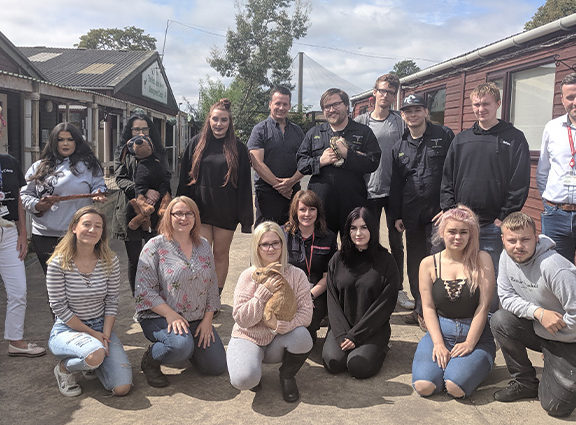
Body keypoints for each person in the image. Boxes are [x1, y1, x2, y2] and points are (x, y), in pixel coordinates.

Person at [440, 82, 531, 309]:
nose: (481, 109)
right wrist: (450, 210)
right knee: (462, 271)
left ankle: (490, 323)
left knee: (491, 276)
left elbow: (519, 182)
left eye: (486, 104)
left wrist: (504, 216)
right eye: (476, 104)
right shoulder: (461, 139)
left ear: (498, 104)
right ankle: (463, 314)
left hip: (493, 224)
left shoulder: (515, 138)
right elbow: (447, 178)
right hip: (463, 223)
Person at [135, 196, 226, 388]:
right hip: (159, 316)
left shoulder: (203, 245)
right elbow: (144, 290)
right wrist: (171, 315)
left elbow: (211, 285)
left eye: (188, 213)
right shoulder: (154, 246)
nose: (183, 218)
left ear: (195, 217)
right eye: (178, 214)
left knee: (216, 367)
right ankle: (151, 360)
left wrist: (208, 320)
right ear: (169, 216)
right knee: (180, 346)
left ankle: (188, 348)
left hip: (195, 319)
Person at [491, 212, 576, 418]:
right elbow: (506, 296)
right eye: (511, 240)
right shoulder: (506, 257)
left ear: (536, 238)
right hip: (541, 327)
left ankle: (561, 365)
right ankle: (525, 382)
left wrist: (555, 333)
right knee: (500, 320)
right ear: (503, 240)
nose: (518, 246)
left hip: (568, 337)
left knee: (556, 407)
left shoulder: (554, 267)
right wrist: (538, 313)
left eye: (525, 239)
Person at [412, 205, 495, 399]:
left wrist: (470, 342)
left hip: (474, 334)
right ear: (442, 232)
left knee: (455, 387)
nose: (457, 237)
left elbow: (484, 306)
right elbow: (428, 307)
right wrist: (439, 344)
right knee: (424, 386)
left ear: (470, 234)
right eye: (452, 231)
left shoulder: (482, 259)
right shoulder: (428, 264)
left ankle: (479, 363)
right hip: (441, 332)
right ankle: (448, 366)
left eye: (463, 232)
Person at [47, 207, 131, 397]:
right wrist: (93, 334)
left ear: (102, 232)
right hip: (68, 329)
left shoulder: (110, 260)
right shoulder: (58, 263)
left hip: (101, 327)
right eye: (87, 224)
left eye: (98, 226)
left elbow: (111, 301)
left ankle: (92, 360)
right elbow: (58, 306)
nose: (92, 230)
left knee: (122, 388)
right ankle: (64, 369)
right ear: (74, 227)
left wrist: (106, 336)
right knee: (95, 354)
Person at [227, 221, 313, 403]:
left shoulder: (296, 275)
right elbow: (241, 318)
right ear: (257, 247)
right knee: (243, 379)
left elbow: (306, 313)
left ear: (282, 244)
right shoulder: (248, 276)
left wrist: (284, 325)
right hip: (249, 336)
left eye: (275, 243)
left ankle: (287, 375)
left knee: (303, 336)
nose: (271, 248)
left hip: (278, 338)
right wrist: (262, 293)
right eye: (264, 244)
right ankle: (252, 369)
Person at [177, 99, 253, 294]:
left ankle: (215, 298)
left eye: (224, 120)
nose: (219, 124)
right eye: (215, 119)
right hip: (199, 211)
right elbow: (184, 177)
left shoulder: (239, 148)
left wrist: (245, 220)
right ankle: (200, 296)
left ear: (230, 122)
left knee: (220, 254)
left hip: (226, 212)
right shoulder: (196, 143)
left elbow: (245, 185)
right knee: (199, 255)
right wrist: (179, 210)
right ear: (209, 120)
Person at [390, 94, 454, 324]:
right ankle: (420, 310)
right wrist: (396, 215)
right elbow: (396, 184)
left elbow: (454, 172)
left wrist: (449, 206)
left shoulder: (444, 136)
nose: (412, 115)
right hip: (411, 213)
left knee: (438, 261)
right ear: (403, 116)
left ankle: (439, 311)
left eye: (417, 110)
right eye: (408, 111)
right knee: (416, 262)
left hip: (438, 213)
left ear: (426, 112)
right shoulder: (399, 147)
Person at [323, 207, 399, 379]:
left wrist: (355, 336)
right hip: (342, 328)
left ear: (372, 229)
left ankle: (381, 348)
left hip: (372, 329)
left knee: (358, 366)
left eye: (364, 227)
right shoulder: (338, 259)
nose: (358, 233)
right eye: (353, 228)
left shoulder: (386, 261)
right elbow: (332, 300)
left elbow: (385, 304)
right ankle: (349, 345)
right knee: (333, 362)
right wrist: (342, 334)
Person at [21, 122, 106, 275]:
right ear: (54, 142)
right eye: (60, 139)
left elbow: (99, 186)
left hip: (77, 234)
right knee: (53, 283)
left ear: (77, 142)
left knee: (77, 279)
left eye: (70, 139)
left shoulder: (89, 165)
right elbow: (24, 195)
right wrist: (37, 205)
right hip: (44, 236)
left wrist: (98, 193)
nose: (65, 143)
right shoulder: (39, 166)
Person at [355, 74, 409, 310]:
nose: (386, 95)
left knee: (397, 242)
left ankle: (397, 288)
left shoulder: (400, 122)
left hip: (394, 191)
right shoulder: (361, 121)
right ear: (374, 93)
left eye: (391, 92)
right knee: (369, 239)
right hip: (368, 191)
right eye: (383, 91)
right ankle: (372, 285)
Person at [297, 88, 381, 235]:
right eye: (326, 107)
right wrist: (320, 161)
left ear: (346, 106)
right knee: (322, 251)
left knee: (353, 252)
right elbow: (301, 164)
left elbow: (373, 162)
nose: (331, 110)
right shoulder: (314, 133)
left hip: (352, 204)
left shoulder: (363, 132)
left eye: (336, 104)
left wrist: (348, 154)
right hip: (321, 205)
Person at [112, 112, 170, 295]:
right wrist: (142, 191)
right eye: (136, 129)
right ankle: (139, 301)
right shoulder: (122, 152)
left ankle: (157, 298)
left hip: (155, 210)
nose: (141, 132)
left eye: (144, 128)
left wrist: (158, 193)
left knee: (156, 257)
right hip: (130, 211)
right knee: (135, 260)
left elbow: (166, 177)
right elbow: (120, 178)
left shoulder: (159, 151)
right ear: (130, 131)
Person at [2, 153, 46, 358]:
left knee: (18, 290)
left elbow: (19, 198)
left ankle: (16, 341)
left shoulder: (10, 162)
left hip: (9, 232)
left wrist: (22, 232)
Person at [284, 190, 337, 342]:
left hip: (315, 292)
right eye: (302, 209)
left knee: (307, 324)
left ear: (318, 211)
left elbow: (329, 277)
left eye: (312, 209)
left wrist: (309, 296)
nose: (307, 214)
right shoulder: (283, 235)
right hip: (289, 291)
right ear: (295, 211)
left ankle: (309, 331)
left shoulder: (329, 237)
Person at [248, 86, 305, 226]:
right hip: (267, 193)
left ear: (290, 106)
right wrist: (279, 186)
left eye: (285, 104)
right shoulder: (259, 130)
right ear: (270, 104)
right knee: (266, 236)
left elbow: (305, 160)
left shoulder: (297, 131)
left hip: (293, 192)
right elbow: (257, 163)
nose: (281, 107)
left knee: (293, 235)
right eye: (277, 103)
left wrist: (290, 182)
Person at [536, 72, 576, 263]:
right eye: (570, 97)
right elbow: (543, 171)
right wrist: (550, 205)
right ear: (562, 99)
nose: (575, 102)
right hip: (555, 216)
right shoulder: (552, 128)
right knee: (556, 271)